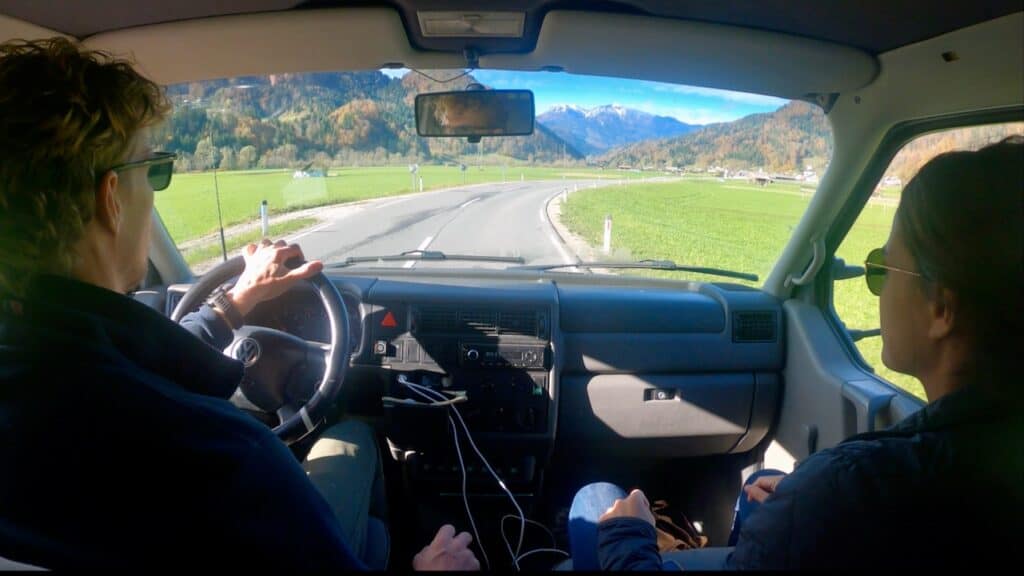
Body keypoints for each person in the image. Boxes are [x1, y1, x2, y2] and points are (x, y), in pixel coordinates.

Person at [0, 37, 479, 571]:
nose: (155, 188)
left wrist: (237, 300)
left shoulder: (41, 370)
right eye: (153, 169)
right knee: (353, 437)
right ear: (111, 198)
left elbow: (120, 360)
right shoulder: (229, 463)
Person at [568, 136, 1024, 570]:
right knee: (755, 490)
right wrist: (806, 498)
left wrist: (627, 537)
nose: (878, 288)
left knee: (595, 501)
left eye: (882, 269)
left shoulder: (844, 493)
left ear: (941, 308)